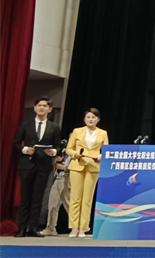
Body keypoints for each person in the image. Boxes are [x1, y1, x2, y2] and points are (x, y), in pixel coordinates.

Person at [13, 97, 61, 238]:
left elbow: (58, 147)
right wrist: (25, 149)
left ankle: (33, 227)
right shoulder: (26, 125)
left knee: (38, 198)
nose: (41, 108)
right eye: (39, 105)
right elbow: (15, 144)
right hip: (27, 165)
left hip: (43, 166)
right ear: (35, 108)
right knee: (25, 197)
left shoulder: (54, 127)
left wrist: (53, 152)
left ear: (49, 109)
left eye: (45, 106)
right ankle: (22, 228)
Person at [66, 108, 108, 238]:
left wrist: (100, 156)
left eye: (93, 117)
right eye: (88, 117)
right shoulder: (77, 131)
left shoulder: (103, 133)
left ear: (98, 119)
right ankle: (73, 227)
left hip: (93, 167)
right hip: (77, 166)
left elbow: (106, 150)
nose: (90, 119)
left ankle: (83, 228)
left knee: (87, 199)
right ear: (84, 119)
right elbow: (68, 149)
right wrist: (75, 154)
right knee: (75, 198)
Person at [42, 138, 71, 236]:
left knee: (69, 204)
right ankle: (51, 227)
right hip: (58, 178)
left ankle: (77, 227)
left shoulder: (78, 151)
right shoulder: (64, 150)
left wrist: (63, 167)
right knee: (53, 203)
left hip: (68, 179)